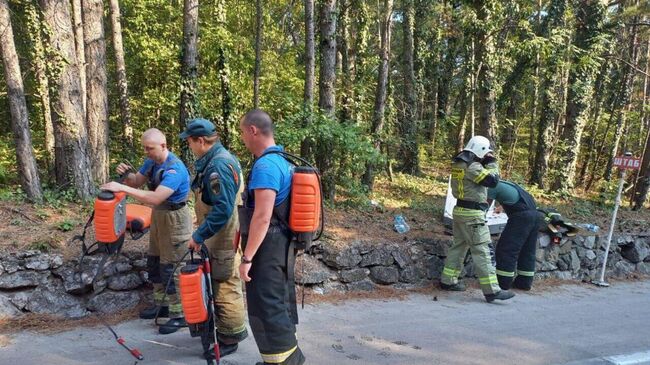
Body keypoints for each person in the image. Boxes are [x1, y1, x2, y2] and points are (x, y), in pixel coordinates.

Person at [100, 128, 191, 334]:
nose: (146, 152)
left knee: (173, 265)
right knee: (156, 262)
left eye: (150, 148)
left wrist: (122, 188)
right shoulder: (153, 162)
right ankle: (163, 305)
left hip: (175, 218)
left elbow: (155, 197)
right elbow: (137, 182)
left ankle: (180, 315)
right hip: (159, 215)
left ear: (163, 146)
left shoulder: (175, 169)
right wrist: (126, 176)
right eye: (144, 148)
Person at [237, 109, 305, 365]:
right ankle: (283, 358)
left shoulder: (266, 165)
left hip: (268, 247)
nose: (243, 138)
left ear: (253, 130)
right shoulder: (282, 159)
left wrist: (247, 258)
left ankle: (283, 361)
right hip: (281, 245)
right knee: (277, 302)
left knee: (267, 306)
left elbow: (262, 217)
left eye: (243, 132)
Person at [181, 118, 248, 358]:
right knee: (217, 283)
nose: (188, 146)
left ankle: (230, 338)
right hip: (217, 232)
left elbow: (222, 209)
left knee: (225, 285)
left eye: (189, 141)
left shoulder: (218, 166)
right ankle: (219, 331)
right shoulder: (215, 160)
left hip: (223, 234)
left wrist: (199, 235)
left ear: (201, 141)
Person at [439, 135, 515, 303]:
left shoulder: (458, 164)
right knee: (483, 250)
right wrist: (491, 162)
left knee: (458, 247)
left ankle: (448, 280)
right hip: (472, 215)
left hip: (459, 211)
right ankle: (492, 291)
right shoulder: (473, 167)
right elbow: (493, 181)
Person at [488, 180, 539, 291]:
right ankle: (524, 282)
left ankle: (502, 282)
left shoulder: (489, 185)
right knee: (527, 250)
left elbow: (484, 205)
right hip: (535, 214)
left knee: (507, 249)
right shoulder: (505, 184)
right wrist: (501, 208)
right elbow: (512, 198)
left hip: (521, 217)